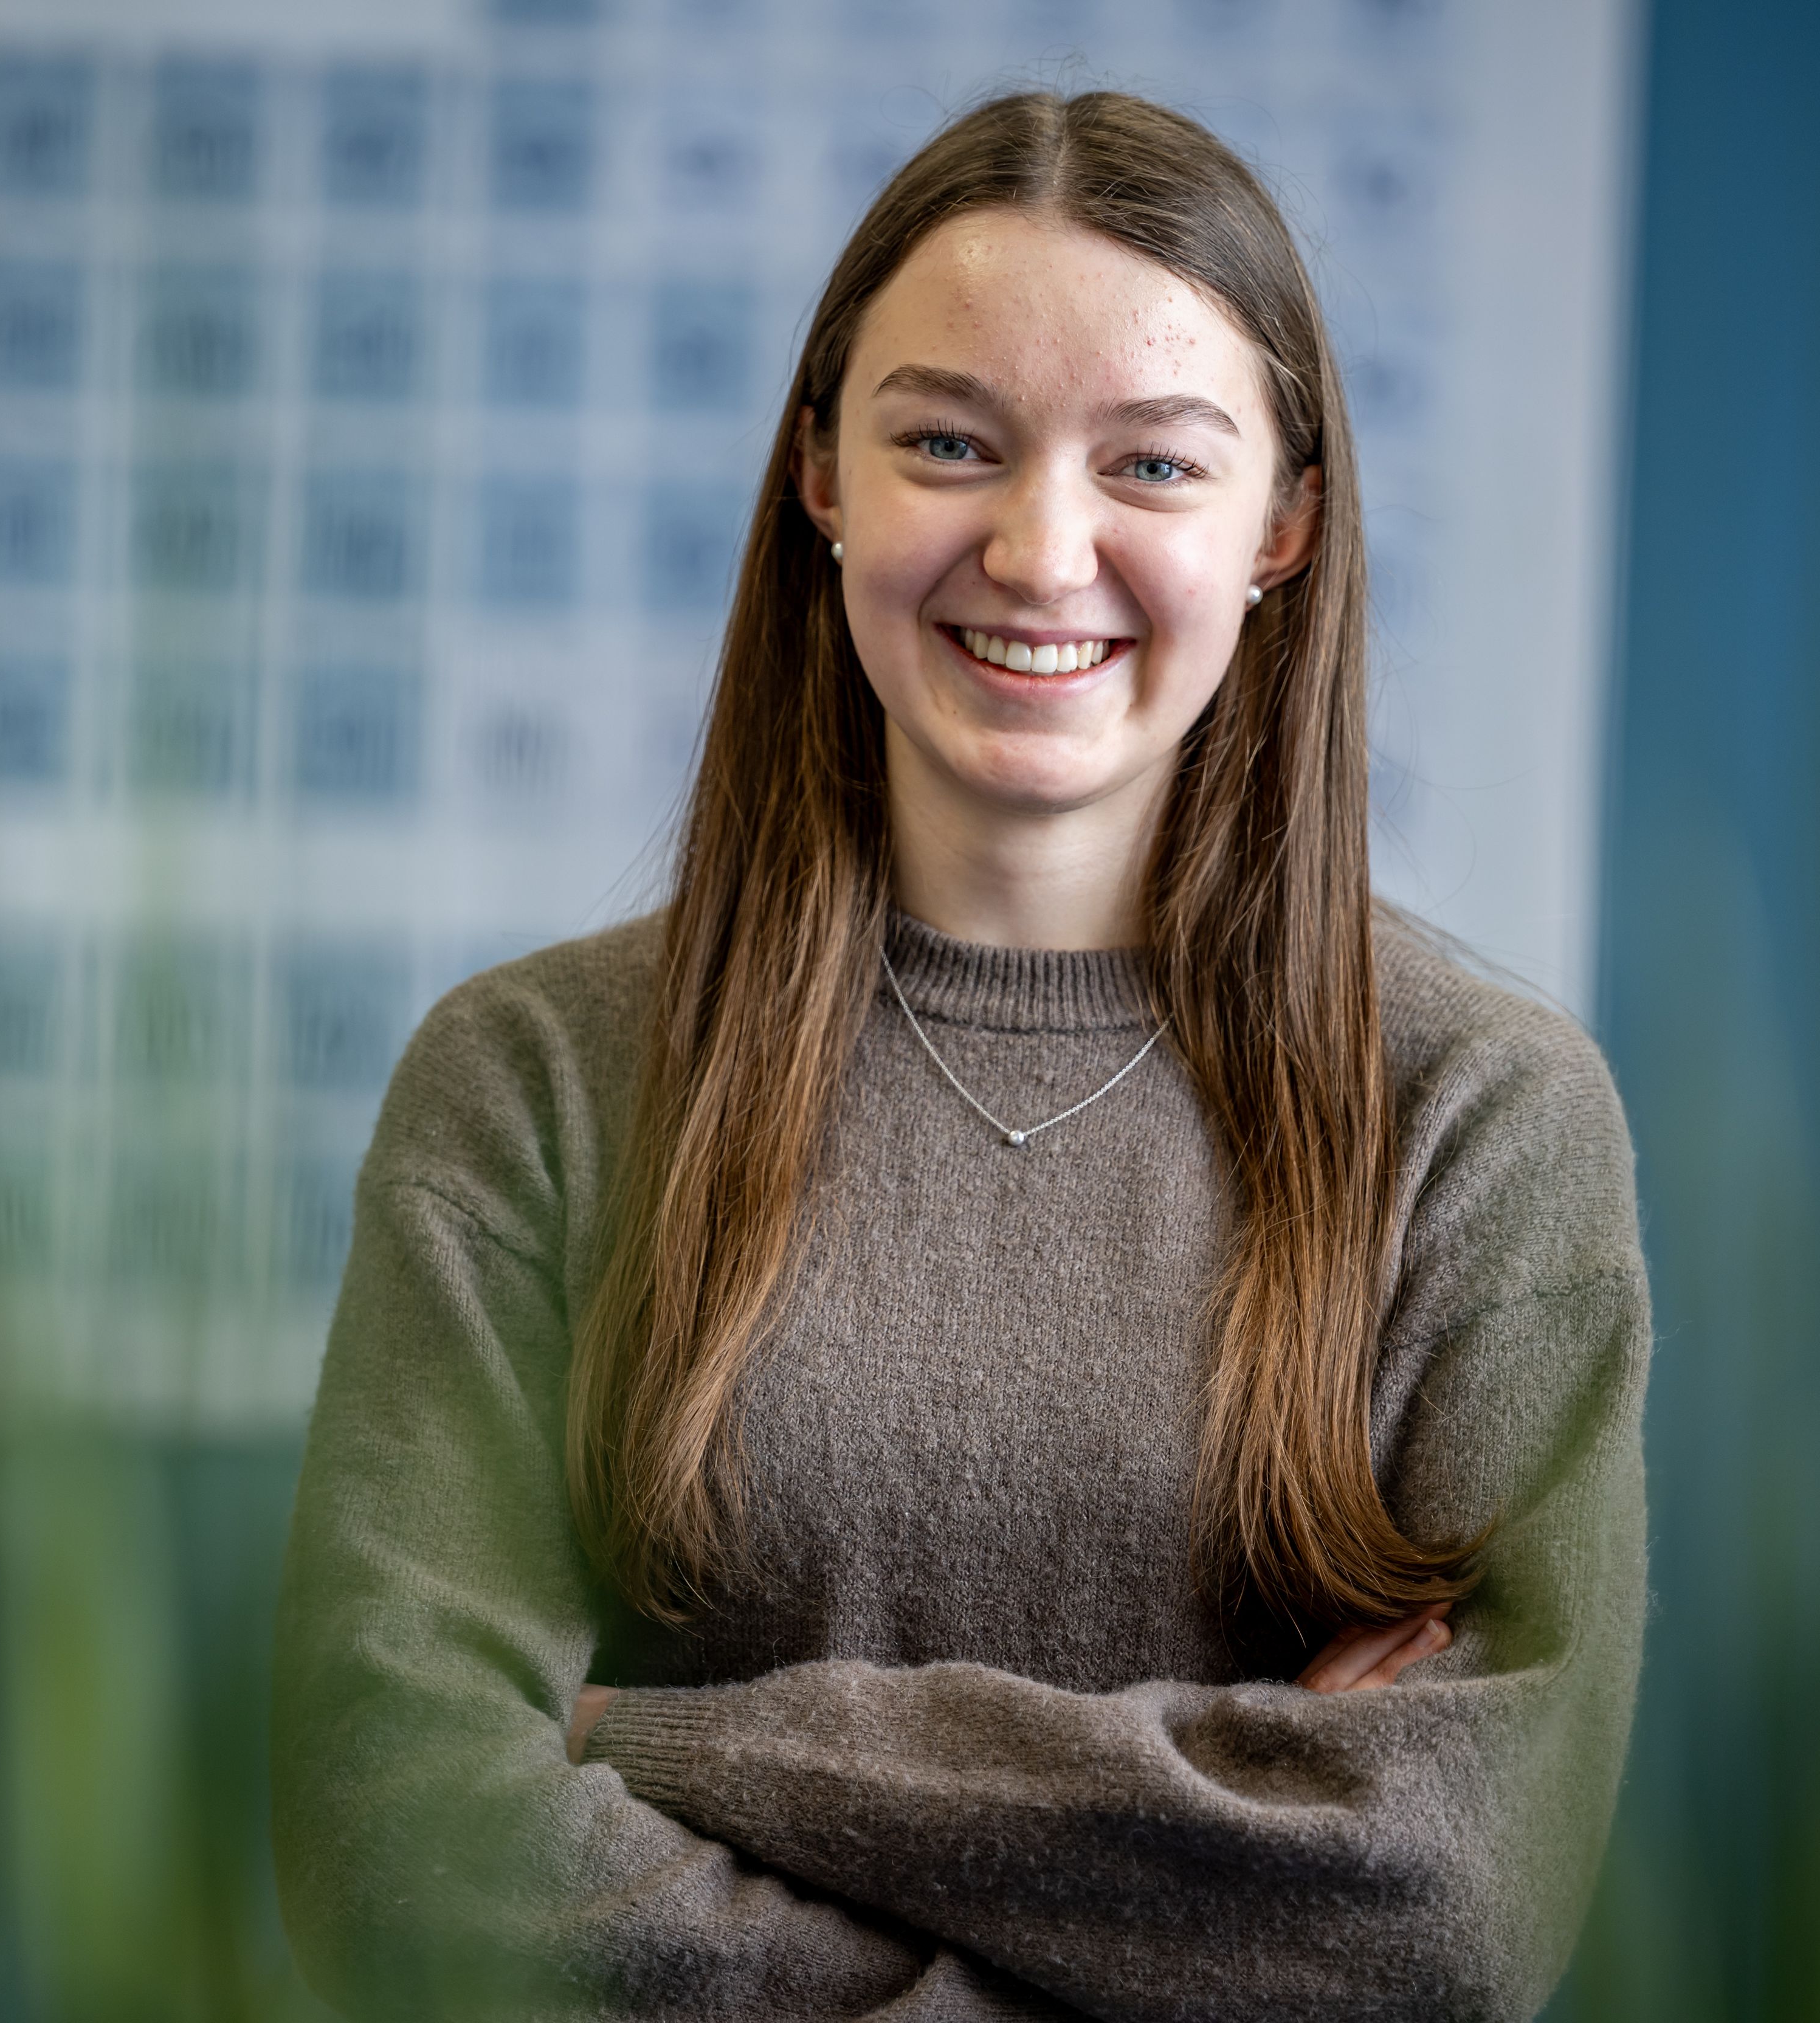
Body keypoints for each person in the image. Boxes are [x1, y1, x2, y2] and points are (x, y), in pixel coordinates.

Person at [272, 90, 1648, 2021]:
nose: (1040, 547)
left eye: (1152, 465)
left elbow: (1449, 1903)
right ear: (821, 473)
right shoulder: (534, 1085)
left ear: (1284, 525)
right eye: (947, 442)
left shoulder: (1484, 1120)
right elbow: (393, 1833)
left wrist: (667, 1750)